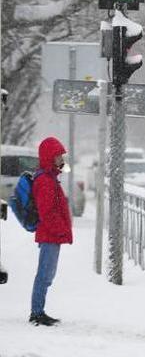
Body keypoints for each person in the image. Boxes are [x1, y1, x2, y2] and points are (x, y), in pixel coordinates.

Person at [30, 137, 73, 327]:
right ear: (49, 157)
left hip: (52, 235)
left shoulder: (51, 178)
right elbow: (47, 212)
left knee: (47, 275)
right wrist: (61, 231)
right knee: (44, 275)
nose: (61, 159)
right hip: (50, 235)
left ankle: (39, 310)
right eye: (58, 156)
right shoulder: (45, 181)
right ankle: (37, 313)